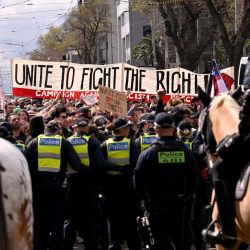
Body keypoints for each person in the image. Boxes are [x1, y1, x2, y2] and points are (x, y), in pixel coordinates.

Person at [134, 112, 197, 249]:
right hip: (180, 208)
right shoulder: (186, 152)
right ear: (174, 128)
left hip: (156, 208)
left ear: (156, 129)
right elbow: (194, 179)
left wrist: (146, 201)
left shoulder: (148, 154)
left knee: (158, 244)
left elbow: (138, 182)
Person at [25, 120, 82, 250]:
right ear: (58, 131)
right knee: (57, 223)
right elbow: (77, 165)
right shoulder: (63, 142)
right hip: (58, 188)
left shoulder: (34, 142)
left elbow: (23, 160)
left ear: (45, 130)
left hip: (38, 189)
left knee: (40, 223)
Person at [65, 117, 105, 250]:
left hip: (72, 183)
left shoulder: (67, 142)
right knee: (90, 219)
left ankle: (67, 246)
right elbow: (100, 164)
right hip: (89, 184)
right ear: (87, 128)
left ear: (74, 128)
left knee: (71, 218)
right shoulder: (92, 141)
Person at [101, 118, 141, 250]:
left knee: (113, 222)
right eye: (128, 128)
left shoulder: (105, 144)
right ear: (122, 130)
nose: (129, 130)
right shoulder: (131, 144)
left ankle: (114, 246)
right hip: (127, 188)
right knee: (130, 222)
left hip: (110, 188)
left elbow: (102, 168)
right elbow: (135, 166)